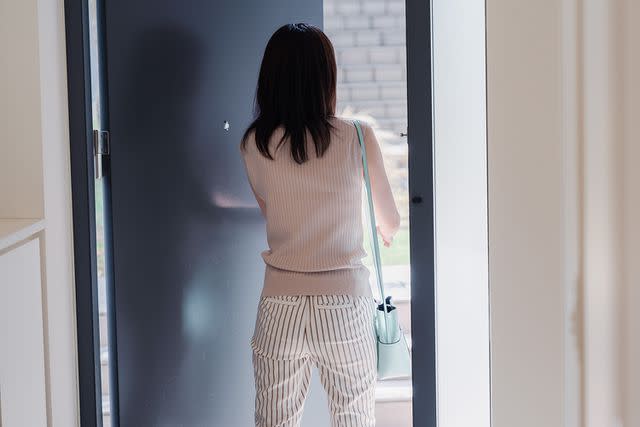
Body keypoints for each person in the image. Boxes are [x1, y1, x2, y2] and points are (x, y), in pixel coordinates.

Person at [239, 23, 401, 427]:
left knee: (275, 421)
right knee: (354, 419)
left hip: (280, 305)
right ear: (327, 76)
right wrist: (382, 229)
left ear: (270, 79)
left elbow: (271, 212)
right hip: (344, 305)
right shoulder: (358, 138)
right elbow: (391, 221)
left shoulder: (254, 143)